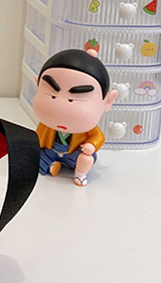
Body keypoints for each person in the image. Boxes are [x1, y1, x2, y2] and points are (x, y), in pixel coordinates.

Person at [32, 48, 118, 187]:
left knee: (86, 159)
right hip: (52, 150)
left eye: (73, 99)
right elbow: (39, 137)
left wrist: (91, 145)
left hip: (74, 153)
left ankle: (80, 174)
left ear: (108, 101)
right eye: (52, 96)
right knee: (34, 156)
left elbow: (98, 137)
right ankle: (52, 165)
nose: (61, 107)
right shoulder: (47, 125)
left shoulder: (88, 130)